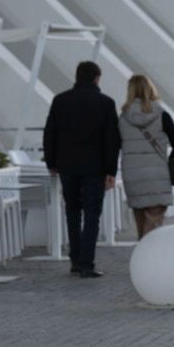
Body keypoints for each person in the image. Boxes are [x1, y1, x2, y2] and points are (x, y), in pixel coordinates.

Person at [42, 59, 119, 278]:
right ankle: (87, 262)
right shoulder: (105, 103)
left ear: (77, 77)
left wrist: (52, 163)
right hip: (95, 167)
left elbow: (50, 133)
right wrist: (111, 171)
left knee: (72, 211)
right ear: (97, 78)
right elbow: (111, 140)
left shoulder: (60, 100)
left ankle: (75, 259)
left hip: (67, 166)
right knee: (92, 214)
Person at [116, 74, 174, 239]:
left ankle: (143, 256)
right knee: (154, 224)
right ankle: (149, 258)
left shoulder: (123, 118)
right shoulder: (161, 115)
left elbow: (117, 145)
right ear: (150, 89)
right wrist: (170, 160)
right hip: (157, 174)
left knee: (140, 225)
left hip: (133, 175)